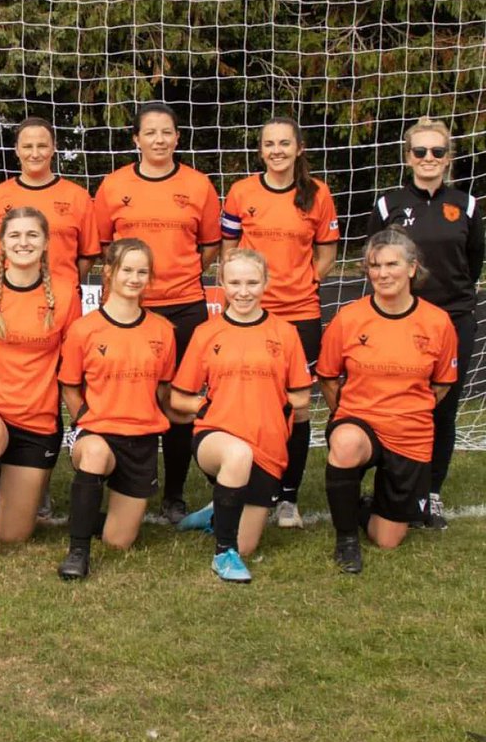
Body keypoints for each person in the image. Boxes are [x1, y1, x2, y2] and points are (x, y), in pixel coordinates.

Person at [93, 102, 221, 524]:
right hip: (131, 309)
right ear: (136, 139)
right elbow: (103, 247)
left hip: (184, 306)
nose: (159, 140)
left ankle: (175, 493)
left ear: (178, 137)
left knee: (179, 402)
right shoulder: (112, 186)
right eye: (150, 133)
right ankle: (122, 484)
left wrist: (174, 280)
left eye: (167, 132)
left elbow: (207, 247)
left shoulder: (199, 185)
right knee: (131, 396)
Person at [316, 228, 458, 574]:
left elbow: (440, 385)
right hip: (360, 421)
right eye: (374, 266)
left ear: (412, 268)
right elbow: (328, 377)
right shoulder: (349, 319)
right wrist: (346, 415)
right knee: (347, 443)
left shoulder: (438, 323)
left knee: (388, 539)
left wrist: (407, 408)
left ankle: (366, 506)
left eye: (392, 264)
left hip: (410, 432)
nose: (383, 273)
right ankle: (346, 540)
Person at [221, 117, 340, 527]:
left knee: (297, 406)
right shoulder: (241, 192)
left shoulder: (317, 194)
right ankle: (251, 483)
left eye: (284, 143)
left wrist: (305, 279)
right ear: (260, 150)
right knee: (251, 399)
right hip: (251, 314)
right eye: (269, 144)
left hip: (300, 314)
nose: (277, 150)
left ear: (299, 148)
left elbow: (327, 251)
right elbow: (229, 248)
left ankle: (288, 497)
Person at [367, 117, 483, 529]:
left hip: (452, 321)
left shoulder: (465, 204)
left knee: (442, 408)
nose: (428, 158)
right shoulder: (388, 203)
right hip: (398, 320)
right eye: (420, 151)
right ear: (407, 157)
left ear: (448, 158)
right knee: (393, 405)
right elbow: (374, 260)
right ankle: (388, 487)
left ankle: (430, 493)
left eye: (437, 151)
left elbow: (472, 263)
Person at [170, 250, 312, 583]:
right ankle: (223, 554)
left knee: (247, 544)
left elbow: (303, 395)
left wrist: (267, 397)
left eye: (252, 282)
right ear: (221, 284)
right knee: (237, 453)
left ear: (266, 283)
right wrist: (206, 409)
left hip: (268, 445)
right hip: (217, 440)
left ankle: (216, 514)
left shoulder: (286, 333)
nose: (243, 291)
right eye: (234, 282)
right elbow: (178, 397)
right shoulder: (208, 333)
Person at [0, 206, 81, 573]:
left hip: (37, 421)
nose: (23, 242)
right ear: (1, 244)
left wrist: (81, 419)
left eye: (32, 235)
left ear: (45, 243)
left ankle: (2, 500)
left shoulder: (64, 294)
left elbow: (71, 365)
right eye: (14, 236)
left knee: (15, 533)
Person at [55, 239, 177, 580]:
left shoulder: (163, 331)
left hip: (141, 438)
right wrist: (85, 420)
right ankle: (78, 552)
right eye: (127, 269)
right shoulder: (85, 328)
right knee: (93, 453)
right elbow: (69, 385)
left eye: (142, 271)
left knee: (118, 541)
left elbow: (164, 387)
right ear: (108, 272)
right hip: (98, 433)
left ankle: (90, 513)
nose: (134, 278)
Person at [0, 116, 99, 284]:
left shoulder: (78, 196)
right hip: (7, 301)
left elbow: (87, 255)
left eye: (42, 146)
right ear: (16, 150)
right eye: (27, 147)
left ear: (54, 148)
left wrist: (65, 284)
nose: (35, 154)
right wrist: (7, 285)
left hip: (62, 300)